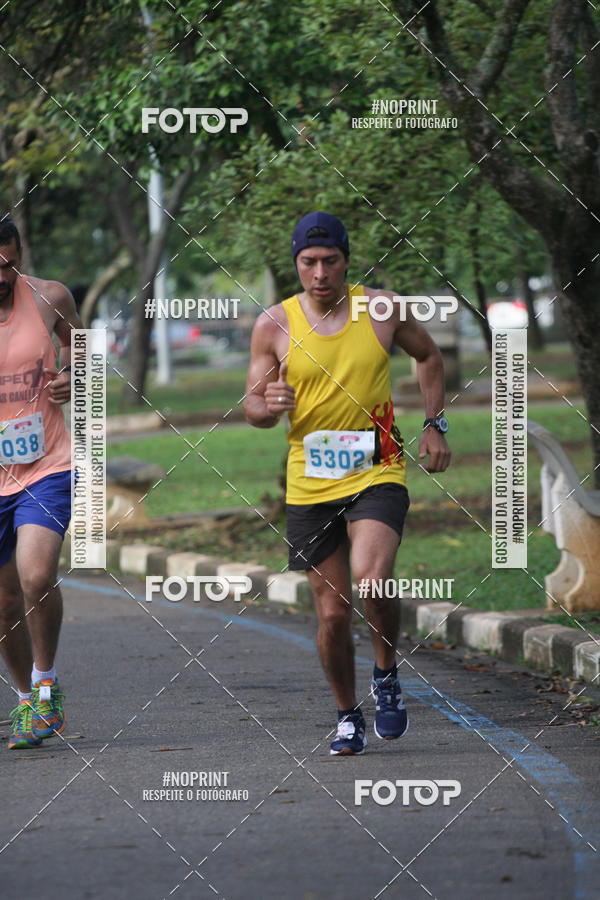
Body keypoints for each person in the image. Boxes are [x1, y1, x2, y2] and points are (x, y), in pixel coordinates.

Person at [244, 211, 451, 755]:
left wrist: (433, 423)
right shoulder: (274, 324)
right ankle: (346, 714)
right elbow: (252, 405)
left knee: (373, 581)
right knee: (332, 612)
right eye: (308, 262)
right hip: (310, 483)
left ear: (346, 260)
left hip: (377, 468)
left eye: (329, 260)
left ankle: (386, 672)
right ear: (296, 264)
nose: (319, 272)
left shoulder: (380, 309)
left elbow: (428, 355)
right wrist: (268, 405)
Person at [0, 218, 81, 750]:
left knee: (36, 575)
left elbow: (84, 352)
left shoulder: (50, 297)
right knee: (4, 602)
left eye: (7, 263)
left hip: (46, 464)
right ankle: (28, 698)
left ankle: (47, 684)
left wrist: (75, 374)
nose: (0, 275)